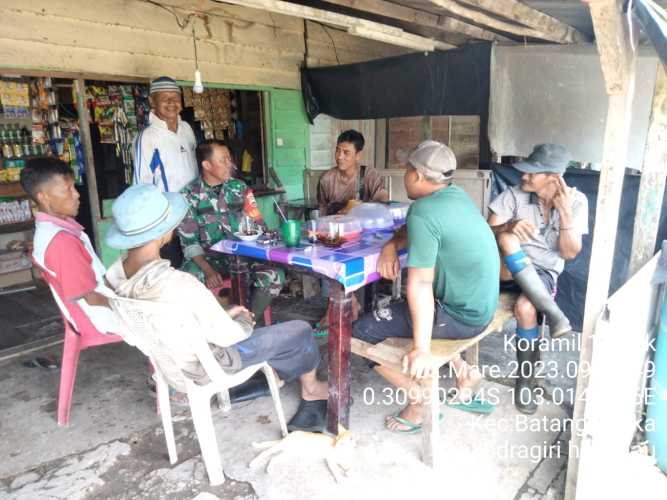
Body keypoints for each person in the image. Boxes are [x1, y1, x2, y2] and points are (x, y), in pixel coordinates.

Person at [105, 184, 328, 432]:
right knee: (300, 330)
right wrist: (244, 319)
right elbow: (231, 336)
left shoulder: (114, 276)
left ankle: (275, 377)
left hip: (170, 364)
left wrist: (222, 313)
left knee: (258, 323)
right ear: (165, 232)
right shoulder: (179, 284)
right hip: (210, 363)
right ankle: (312, 390)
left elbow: (174, 320)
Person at [353, 140, 500, 433]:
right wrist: (391, 245)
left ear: (417, 175)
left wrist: (421, 350)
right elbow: (413, 227)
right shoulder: (456, 196)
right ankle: (462, 371)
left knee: (359, 331)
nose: (405, 175)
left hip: (460, 316)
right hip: (479, 305)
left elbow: (419, 283)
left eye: (407, 169)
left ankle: (419, 400)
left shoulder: (423, 211)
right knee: (410, 312)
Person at [487, 143, 588, 415]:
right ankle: (554, 314)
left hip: (542, 273)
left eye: (532, 173)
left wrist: (565, 213)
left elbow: (568, 253)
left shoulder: (578, 202)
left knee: (525, 308)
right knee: (507, 238)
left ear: (554, 177)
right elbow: (486, 232)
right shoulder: (513, 195)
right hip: (504, 268)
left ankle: (525, 380)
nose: (524, 176)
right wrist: (507, 226)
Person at [178, 139, 284, 323]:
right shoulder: (188, 195)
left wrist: (263, 238)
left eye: (229, 159)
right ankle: (205, 331)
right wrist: (208, 270)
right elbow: (189, 243)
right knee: (188, 278)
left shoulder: (240, 188)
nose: (230, 164)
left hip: (242, 257)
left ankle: (245, 323)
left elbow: (258, 223)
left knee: (275, 276)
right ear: (207, 165)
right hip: (208, 259)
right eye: (223, 160)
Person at [21, 157, 119, 335]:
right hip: (101, 318)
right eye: (67, 190)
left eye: (74, 187)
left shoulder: (53, 230)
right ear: (43, 197)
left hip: (98, 307)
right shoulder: (62, 242)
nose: (76, 194)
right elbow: (90, 297)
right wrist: (126, 305)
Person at [132, 76, 198, 268]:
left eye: (175, 98)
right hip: (169, 220)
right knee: (176, 268)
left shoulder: (186, 129)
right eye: (165, 98)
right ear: (152, 101)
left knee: (199, 268)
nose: (172, 103)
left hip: (196, 212)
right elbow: (140, 185)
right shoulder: (147, 137)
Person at [317, 129, 389, 216]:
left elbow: (383, 201)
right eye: (338, 150)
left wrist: (358, 207)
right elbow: (321, 210)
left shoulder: (369, 175)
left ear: (358, 155)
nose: (340, 156)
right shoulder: (326, 179)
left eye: (346, 152)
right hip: (336, 226)